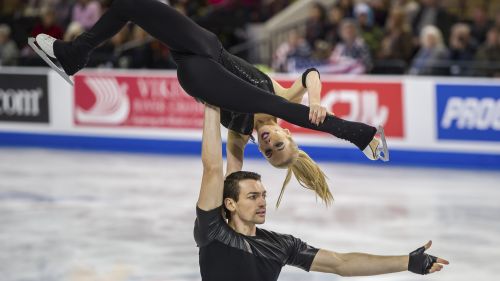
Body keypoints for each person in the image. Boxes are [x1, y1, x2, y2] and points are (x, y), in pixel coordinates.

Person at [31, 0, 388, 204]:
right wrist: (316, 99)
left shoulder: (237, 135)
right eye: (278, 144)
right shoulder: (284, 98)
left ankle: (362, 135)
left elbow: (230, 176)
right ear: (288, 136)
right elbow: (311, 73)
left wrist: (235, 213)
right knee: (130, 4)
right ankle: (75, 53)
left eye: (267, 152)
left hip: (196, 74)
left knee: (268, 104)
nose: (268, 143)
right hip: (206, 46)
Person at [195, 103, 449, 281]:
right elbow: (213, 169)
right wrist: (211, 103)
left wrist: (407, 262)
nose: (262, 202)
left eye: (263, 195)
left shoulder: (281, 245)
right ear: (229, 203)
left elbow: (341, 263)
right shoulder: (213, 231)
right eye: (253, 197)